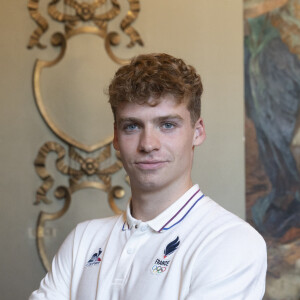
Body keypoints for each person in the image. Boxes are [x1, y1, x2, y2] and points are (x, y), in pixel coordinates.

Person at [29, 53, 267, 300]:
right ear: (116, 137)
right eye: (132, 126)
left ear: (197, 132)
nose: (148, 144)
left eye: (167, 125)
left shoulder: (231, 241)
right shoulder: (83, 240)